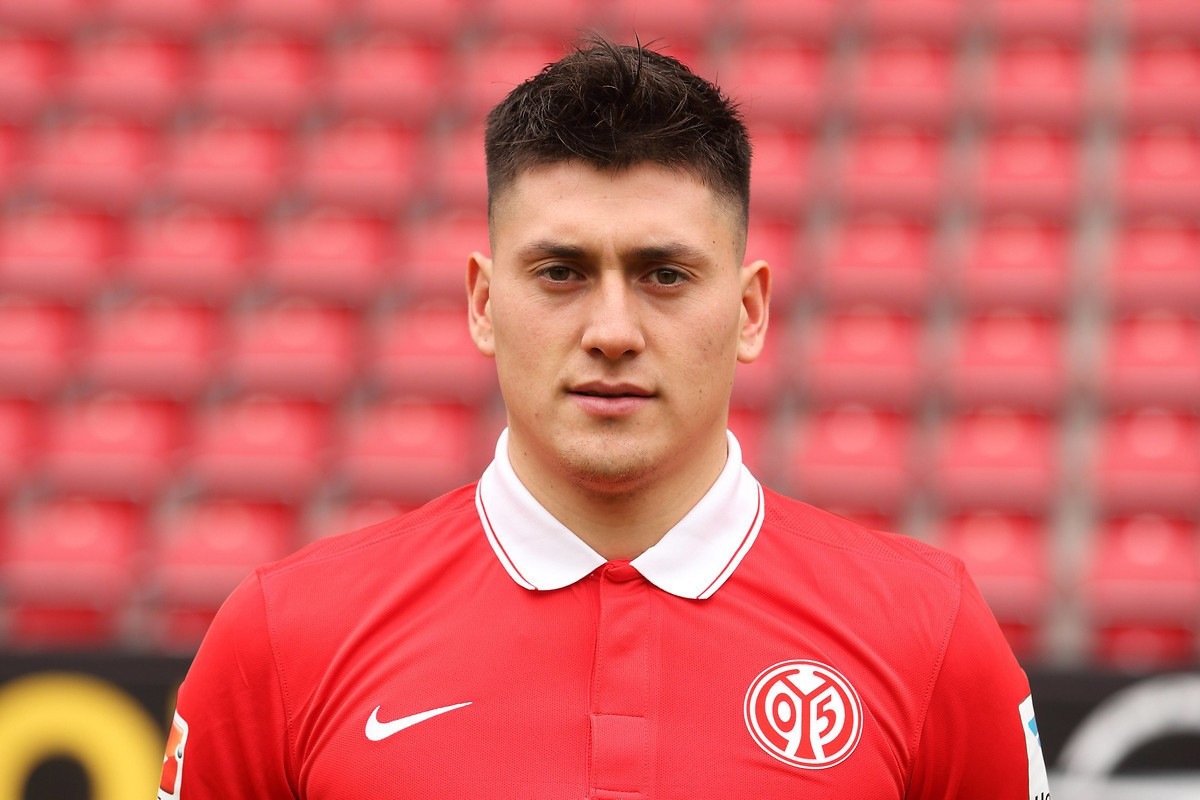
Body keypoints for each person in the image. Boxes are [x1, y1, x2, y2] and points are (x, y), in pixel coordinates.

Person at [158, 38, 1052, 799]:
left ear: (749, 311)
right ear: (482, 303)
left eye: (665, 275)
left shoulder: (928, 634)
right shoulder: (284, 638)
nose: (612, 332)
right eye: (561, 273)